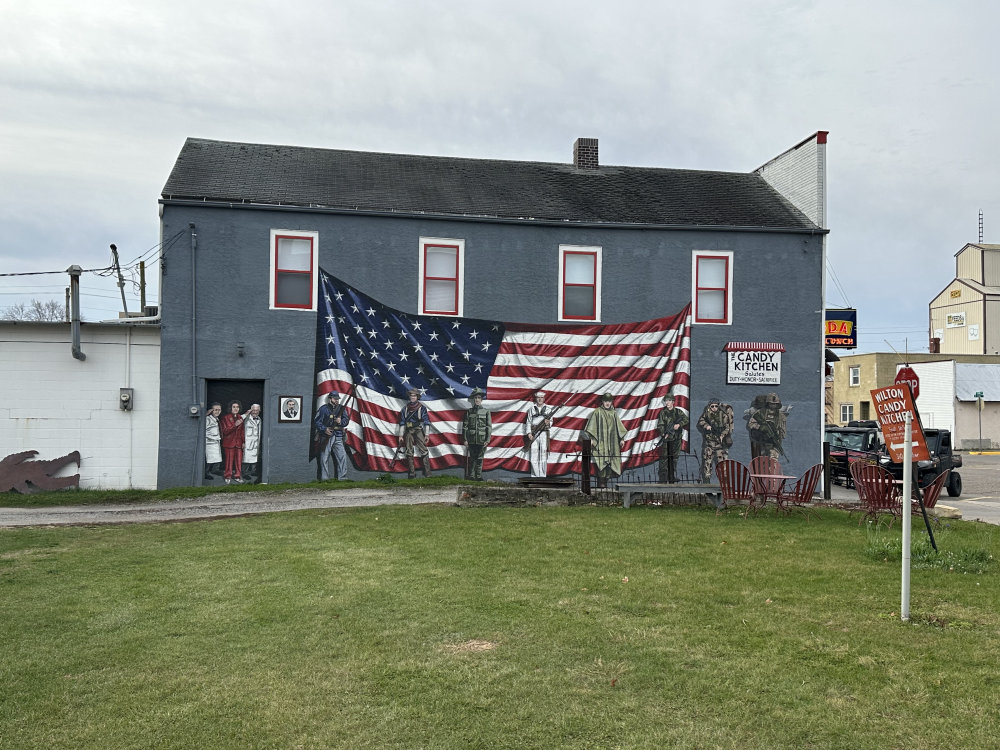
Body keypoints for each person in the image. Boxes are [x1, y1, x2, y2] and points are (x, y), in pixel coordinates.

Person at [584, 393, 627, 488]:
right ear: (602, 402)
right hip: (601, 442)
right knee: (601, 461)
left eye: (609, 401)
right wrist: (592, 439)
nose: (607, 403)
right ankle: (601, 482)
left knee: (611, 462)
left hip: (612, 442)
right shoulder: (597, 412)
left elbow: (619, 428)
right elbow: (592, 427)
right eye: (606, 401)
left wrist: (622, 439)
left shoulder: (614, 413)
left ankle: (606, 480)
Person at [314, 392, 351, 480]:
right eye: (335, 399)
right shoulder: (323, 409)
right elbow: (317, 422)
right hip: (326, 436)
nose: (337, 400)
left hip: (338, 435)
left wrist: (340, 421)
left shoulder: (341, 408)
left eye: (337, 399)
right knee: (324, 457)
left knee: (342, 457)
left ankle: (342, 478)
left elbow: (346, 421)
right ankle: (325, 478)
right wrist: (324, 429)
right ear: (330, 398)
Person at [697, 398, 734, 482]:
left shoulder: (723, 415)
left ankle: (724, 485)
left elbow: (727, 428)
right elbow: (701, 421)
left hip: (720, 445)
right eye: (712, 406)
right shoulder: (707, 414)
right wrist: (706, 425)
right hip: (709, 444)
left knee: (723, 466)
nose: (714, 408)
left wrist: (722, 435)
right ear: (709, 406)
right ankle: (707, 484)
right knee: (707, 465)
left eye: (716, 406)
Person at [398, 389, 431, 478]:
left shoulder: (422, 408)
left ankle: (427, 472)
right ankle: (412, 472)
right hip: (408, 430)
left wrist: (427, 434)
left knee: (423, 450)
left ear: (417, 397)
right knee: (409, 451)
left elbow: (426, 422)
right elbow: (402, 422)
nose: (412, 397)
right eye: (411, 396)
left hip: (418, 430)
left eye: (414, 396)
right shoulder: (405, 409)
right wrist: (400, 435)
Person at [657, 393, 689, 483]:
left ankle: (671, 477)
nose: (667, 402)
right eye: (666, 401)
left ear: (673, 402)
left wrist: (679, 424)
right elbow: (660, 425)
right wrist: (664, 433)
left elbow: (686, 419)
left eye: (669, 400)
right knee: (664, 459)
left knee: (674, 458)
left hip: (676, 439)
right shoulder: (663, 413)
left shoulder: (678, 412)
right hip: (667, 440)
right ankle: (663, 479)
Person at [462, 387, 492, 481]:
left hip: (482, 439)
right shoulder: (469, 411)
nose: (477, 400)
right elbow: (465, 427)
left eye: (479, 398)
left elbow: (489, 427)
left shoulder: (486, 412)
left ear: (481, 399)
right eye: (475, 398)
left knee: (480, 458)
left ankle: (478, 476)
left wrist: (487, 440)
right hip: (471, 438)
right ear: (473, 399)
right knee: (472, 458)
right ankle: (471, 476)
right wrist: (465, 439)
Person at [747, 392, 788, 460]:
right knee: (762, 463)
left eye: (775, 404)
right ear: (768, 403)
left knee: (773, 462)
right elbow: (751, 424)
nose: (773, 405)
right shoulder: (760, 413)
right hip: (761, 442)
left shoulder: (781, 416)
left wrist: (777, 436)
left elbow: (783, 432)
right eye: (771, 403)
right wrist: (760, 427)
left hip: (774, 443)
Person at [524, 391, 553, 477]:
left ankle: (543, 475)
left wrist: (548, 423)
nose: (540, 399)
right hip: (534, 432)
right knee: (534, 453)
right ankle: (535, 475)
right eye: (538, 398)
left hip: (543, 433)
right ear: (536, 399)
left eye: (541, 398)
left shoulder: (548, 409)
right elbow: (528, 422)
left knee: (543, 453)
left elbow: (551, 422)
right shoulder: (531, 409)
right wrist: (529, 433)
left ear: (544, 399)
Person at [219, 400, 247, 484]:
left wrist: (243, 442)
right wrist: (234, 425)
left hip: (238, 443)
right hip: (229, 443)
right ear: (230, 408)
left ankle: (237, 476)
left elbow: (242, 431)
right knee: (229, 461)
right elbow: (225, 431)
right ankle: (227, 476)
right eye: (234, 407)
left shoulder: (240, 417)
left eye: (237, 407)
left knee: (238, 461)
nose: (236, 409)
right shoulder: (225, 418)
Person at [242, 403, 262, 483]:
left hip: (256, 442)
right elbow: (240, 426)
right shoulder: (246, 418)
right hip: (248, 442)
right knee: (246, 459)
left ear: (259, 411)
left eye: (257, 410)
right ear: (251, 410)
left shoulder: (259, 419)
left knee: (255, 459)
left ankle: (253, 472)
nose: (255, 412)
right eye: (253, 410)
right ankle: (244, 473)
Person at [204, 402, 223, 480]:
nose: (217, 411)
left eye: (219, 410)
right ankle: (206, 473)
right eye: (215, 410)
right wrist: (213, 438)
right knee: (209, 459)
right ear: (211, 410)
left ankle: (215, 470)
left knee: (217, 458)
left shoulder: (217, 419)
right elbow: (204, 431)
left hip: (216, 442)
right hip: (209, 442)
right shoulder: (208, 419)